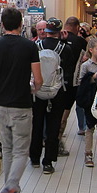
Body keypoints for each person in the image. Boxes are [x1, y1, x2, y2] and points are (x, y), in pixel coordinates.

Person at [0, 7, 42, 193]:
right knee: (21, 151)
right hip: (22, 104)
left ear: (2, 23)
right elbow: (38, 78)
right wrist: (33, 89)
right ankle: (10, 188)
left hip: (1, 104)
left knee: (7, 149)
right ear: (20, 23)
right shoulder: (29, 47)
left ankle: (11, 192)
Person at [29, 17, 72, 174]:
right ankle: (48, 161)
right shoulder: (65, 49)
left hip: (37, 91)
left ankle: (34, 158)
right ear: (60, 31)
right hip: (57, 92)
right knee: (53, 126)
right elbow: (67, 72)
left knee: (37, 124)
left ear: (45, 30)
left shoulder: (35, 46)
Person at [77, 37, 97, 167]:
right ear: (91, 50)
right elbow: (80, 82)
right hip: (90, 99)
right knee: (89, 127)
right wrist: (91, 78)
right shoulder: (86, 65)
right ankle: (88, 152)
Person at [60, 16, 88, 142]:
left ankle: (49, 139)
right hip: (72, 82)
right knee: (65, 113)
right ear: (77, 27)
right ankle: (58, 140)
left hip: (56, 81)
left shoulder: (58, 38)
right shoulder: (81, 42)